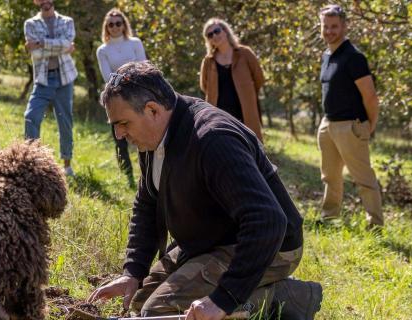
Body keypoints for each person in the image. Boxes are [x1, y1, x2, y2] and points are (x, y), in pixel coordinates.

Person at [88, 61, 322, 320]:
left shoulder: (213, 139)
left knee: (160, 313)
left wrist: (223, 300)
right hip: (210, 240)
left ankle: (282, 299)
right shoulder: (153, 138)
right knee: (140, 301)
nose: (119, 134)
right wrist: (133, 272)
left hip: (269, 244)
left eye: (123, 123)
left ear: (152, 110)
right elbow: (148, 204)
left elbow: (267, 221)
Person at [317, 5, 384, 227]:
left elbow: (371, 97)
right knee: (330, 177)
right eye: (325, 26)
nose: (329, 31)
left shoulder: (354, 57)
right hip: (328, 125)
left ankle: (375, 224)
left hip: (350, 126)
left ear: (344, 26)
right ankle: (329, 218)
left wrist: (369, 125)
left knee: (363, 179)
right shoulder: (327, 55)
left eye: (334, 26)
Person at [24, 0, 78, 176]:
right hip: (43, 78)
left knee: (65, 121)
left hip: (65, 78)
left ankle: (67, 165)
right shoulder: (30, 24)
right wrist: (61, 46)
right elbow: (37, 53)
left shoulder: (67, 21)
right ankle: (32, 162)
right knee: (31, 117)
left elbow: (68, 43)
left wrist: (40, 43)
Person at [96, 8, 146, 186]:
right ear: (106, 27)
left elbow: (143, 65)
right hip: (116, 99)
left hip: (138, 95)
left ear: (124, 24)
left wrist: (127, 79)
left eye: (118, 23)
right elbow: (107, 77)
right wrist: (127, 78)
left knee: (144, 136)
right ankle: (128, 178)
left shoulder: (135, 42)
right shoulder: (103, 50)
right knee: (120, 140)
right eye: (111, 24)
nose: (115, 27)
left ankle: (146, 175)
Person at [199, 18, 265, 142]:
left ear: (225, 31)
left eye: (217, 31)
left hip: (246, 113)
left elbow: (259, 78)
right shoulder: (208, 61)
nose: (214, 36)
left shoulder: (245, 53)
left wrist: (248, 94)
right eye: (210, 35)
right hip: (219, 116)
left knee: (251, 148)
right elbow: (204, 86)